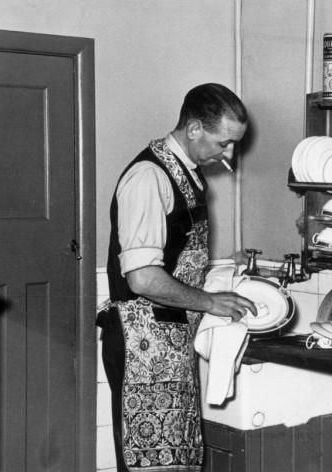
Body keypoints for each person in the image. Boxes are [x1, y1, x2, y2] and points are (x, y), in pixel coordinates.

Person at [97, 83, 257, 471]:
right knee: (149, 465)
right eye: (224, 143)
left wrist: (221, 273)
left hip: (168, 343)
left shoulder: (186, 173)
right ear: (195, 128)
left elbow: (174, 258)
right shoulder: (148, 177)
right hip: (142, 346)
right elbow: (142, 279)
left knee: (177, 462)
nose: (229, 154)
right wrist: (210, 301)